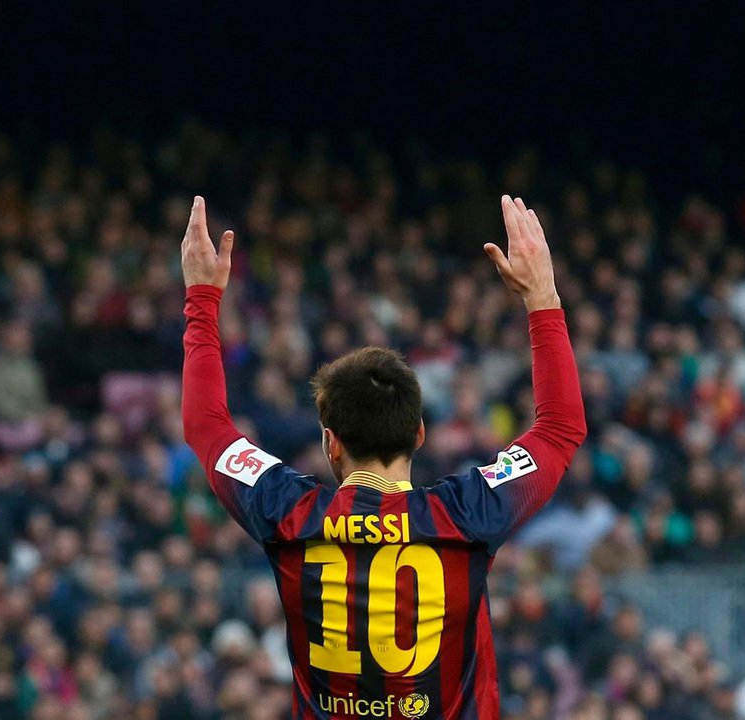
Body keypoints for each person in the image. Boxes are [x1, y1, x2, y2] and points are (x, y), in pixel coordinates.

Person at [181, 195, 586, 718]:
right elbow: (560, 428)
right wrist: (542, 296)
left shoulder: (287, 511)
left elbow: (206, 426)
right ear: (419, 434)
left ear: (331, 442)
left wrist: (202, 298)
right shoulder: (467, 513)